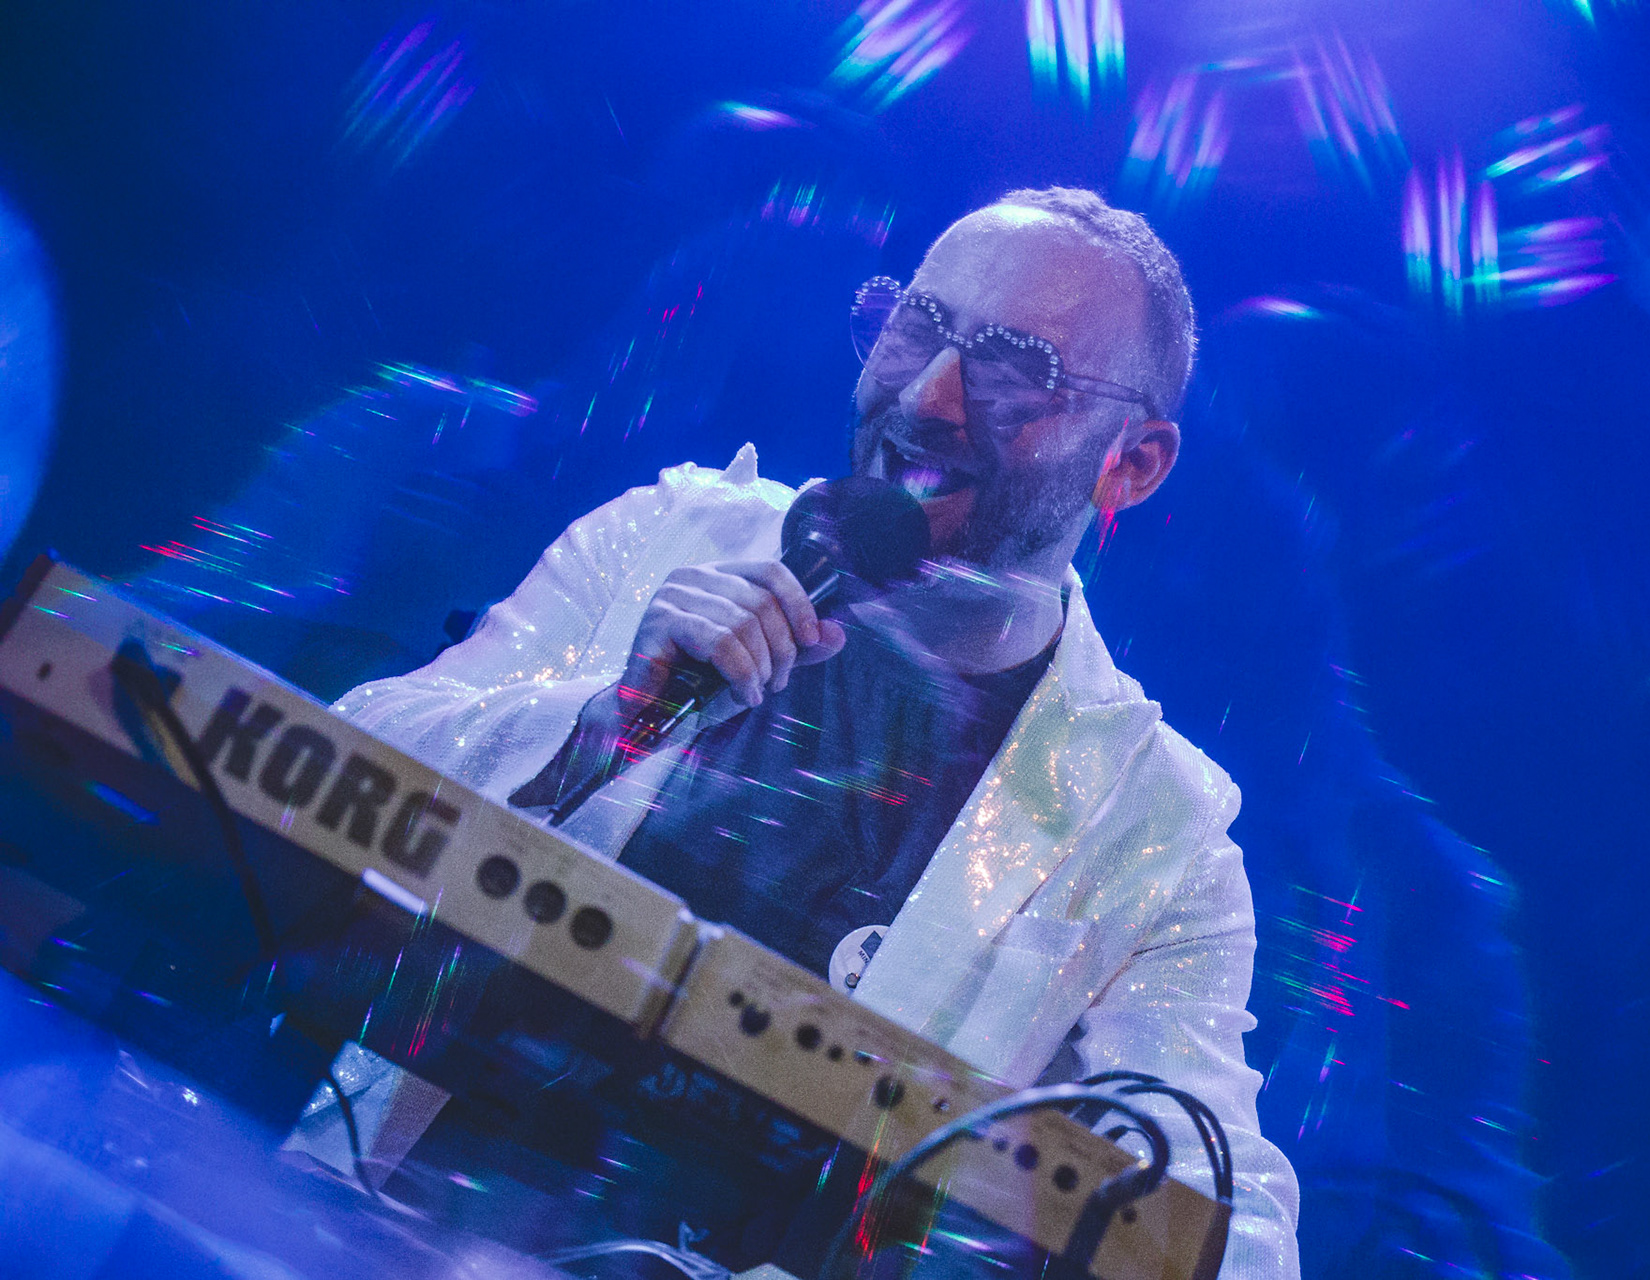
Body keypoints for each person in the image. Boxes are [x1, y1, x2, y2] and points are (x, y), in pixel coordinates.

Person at [334, 187, 1301, 1278]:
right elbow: (329, 763)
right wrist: (598, 722)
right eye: (918, 326)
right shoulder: (663, 543)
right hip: (379, 1239)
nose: (929, 398)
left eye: (1014, 366)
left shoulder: (1152, 831)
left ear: (1134, 462)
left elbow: (1229, 1220)